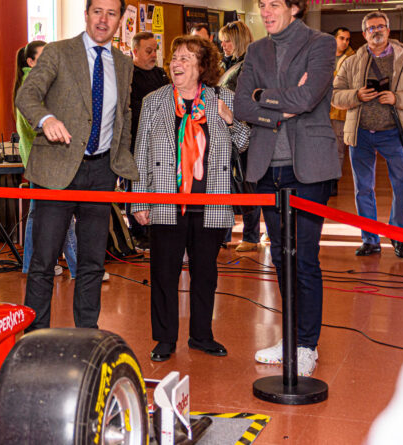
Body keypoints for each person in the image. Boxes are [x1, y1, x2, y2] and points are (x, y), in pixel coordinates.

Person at [16, 0, 138, 331]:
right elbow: (27, 96)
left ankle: (87, 334)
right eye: (97, 11)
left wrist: (120, 165)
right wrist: (46, 118)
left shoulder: (124, 64)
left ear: (119, 19)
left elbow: (123, 117)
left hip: (101, 173)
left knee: (92, 262)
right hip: (57, 171)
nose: (103, 19)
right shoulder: (58, 52)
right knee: (43, 261)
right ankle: (35, 335)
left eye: (111, 13)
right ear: (86, 15)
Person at [235, 0, 339, 376]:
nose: (265, 11)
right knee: (280, 257)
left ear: (294, 8)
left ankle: (307, 344)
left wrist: (265, 96)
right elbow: (242, 104)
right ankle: (290, 335)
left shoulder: (321, 43)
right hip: (266, 168)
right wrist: (274, 102)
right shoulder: (255, 50)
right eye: (261, 4)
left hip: (308, 168)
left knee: (304, 259)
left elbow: (309, 99)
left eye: (274, 4)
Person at [132, 35, 250, 362]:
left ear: (202, 66)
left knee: (205, 273)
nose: (176, 64)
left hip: (209, 201)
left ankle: (201, 335)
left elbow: (243, 142)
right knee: (164, 272)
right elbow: (140, 153)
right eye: (175, 58)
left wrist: (229, 119)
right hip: (167, 200)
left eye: (186, 58)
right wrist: (139, 200)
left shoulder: (221, 97)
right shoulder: (155, 100)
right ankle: (165, 338)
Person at [332, 11, 403, 259]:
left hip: (393, 133)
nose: (376, 30)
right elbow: (335, 94)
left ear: (388, 30)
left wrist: (398, 98)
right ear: (364, 33)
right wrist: (356, 95)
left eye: (381, 26)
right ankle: (370, 239)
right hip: (361, 134)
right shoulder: (351, 62)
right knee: (363, 188)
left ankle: (399, 236)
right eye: (371, 27)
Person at [14, 41, 79, 279]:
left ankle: (32, 264)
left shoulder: (33, 83)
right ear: (30, 62)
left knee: (37, 213)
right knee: (62, 212)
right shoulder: (35, 87)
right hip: (45, 158)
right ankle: (77, 267)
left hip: (36, 157)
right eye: (43, 57)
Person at [218, 20, 261, 253]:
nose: (223, 44)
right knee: (225, 183)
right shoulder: (226, 64)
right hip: (227, 131)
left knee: (248, 184)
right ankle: (223, 233)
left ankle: (251, 236)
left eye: (227, 39)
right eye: (222, 40)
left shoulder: (248, 66)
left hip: (246, 131)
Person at [126, 31, 169, 248]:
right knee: (136, 185)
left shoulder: (161, 75)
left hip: (162, 142)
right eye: (148, 51)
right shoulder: (128, 76)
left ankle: (157, 227)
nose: (153, 55)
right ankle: (138, 231)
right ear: (135, 51)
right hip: (136, 142)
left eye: (155, 50)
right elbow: (132, 111)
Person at [329, 27, 355, 197]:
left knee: (338, 149)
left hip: (340, 111)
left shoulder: (353, 59)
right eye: (341, 38)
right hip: (322, 110)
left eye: (347, 39)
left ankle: (333, 182)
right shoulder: (324, 55)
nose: (344, 42)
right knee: (321, 146)